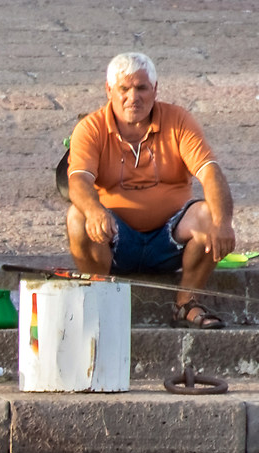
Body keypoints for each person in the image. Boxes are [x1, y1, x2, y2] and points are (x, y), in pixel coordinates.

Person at [64, 52, 236, 327]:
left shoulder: (178, 120)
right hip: (114, 238)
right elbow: (78, 181)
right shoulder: (90, 128)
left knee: (210, 215)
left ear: (155, 89)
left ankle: (187, 303)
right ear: (109, 91)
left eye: (142, 88)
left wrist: (223, 222)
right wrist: (95, 210)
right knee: (78, 217)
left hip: (170, 238)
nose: (133, 97)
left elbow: (210, 171)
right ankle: (98, 297)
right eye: (124, 89)